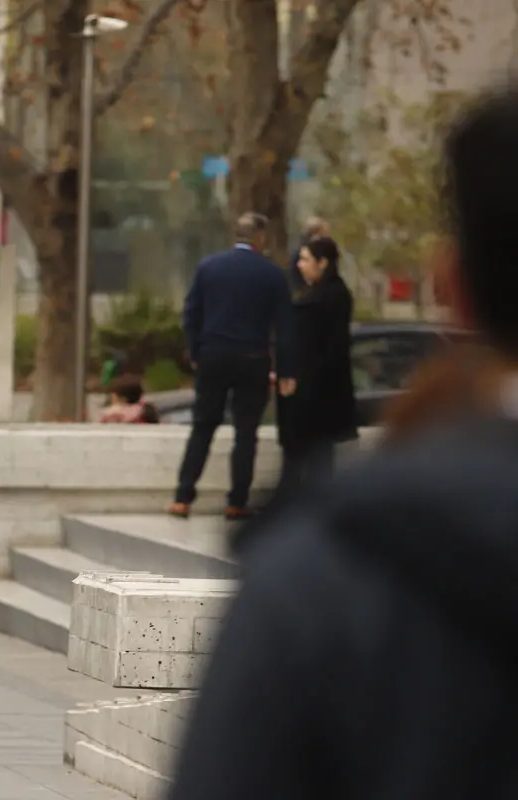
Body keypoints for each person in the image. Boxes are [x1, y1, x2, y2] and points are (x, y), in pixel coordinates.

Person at [168, 86, 518, 800]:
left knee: (213, 433)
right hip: (264, 372)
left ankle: (188, 492)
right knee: (242, 438)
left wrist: (203, 350)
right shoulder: (334, 557)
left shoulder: (325, 573)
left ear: (452, 287)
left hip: (234, 368)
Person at [171, 212, 296, 521]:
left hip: (213, 357)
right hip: (252, 360)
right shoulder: (272, 275)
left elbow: (191, 313)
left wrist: (196, 352)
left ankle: (183, 497)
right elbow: (285, 327)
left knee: (203, 427)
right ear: (261, 238)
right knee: (246, 433)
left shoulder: (208, 267)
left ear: (236, 234)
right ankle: (236, 502)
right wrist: (286, 369)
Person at [272, 236, 357, 503]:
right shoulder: (317, 294)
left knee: (308, 456)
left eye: (305, 259)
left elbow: (322, 347)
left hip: (315, 391)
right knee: (312, 455)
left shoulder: (329, 298)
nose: (300, 265)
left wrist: (296, 375)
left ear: (323, 263)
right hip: (311, 388)